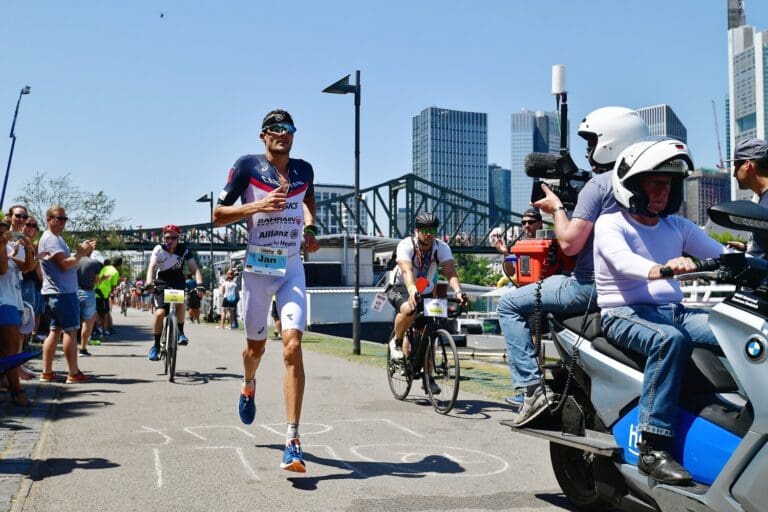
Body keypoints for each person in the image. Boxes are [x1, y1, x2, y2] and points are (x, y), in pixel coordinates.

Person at [497, 106, 650, 423]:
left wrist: (556, 208)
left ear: (611, 141)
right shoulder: (650, 185)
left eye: (592, 142)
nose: (589, 151)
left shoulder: (600, 185)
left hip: (587, 287)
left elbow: (569, 243)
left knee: (509, 304)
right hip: (637, 285)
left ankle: (531, 389)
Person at [594, 138, 728, 485]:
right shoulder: (611, 223)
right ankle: (653, 447)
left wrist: (745, 262)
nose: (662, 192)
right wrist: (662, 268)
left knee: (733, 330)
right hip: (624, 311)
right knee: (670, 340)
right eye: (654, 184)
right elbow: (622, 261)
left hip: (674, 309)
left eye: (668, 185)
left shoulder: (677, 226)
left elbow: (723, 254)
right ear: (632, 186)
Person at [212, 109, 320, 472]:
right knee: (255, 349)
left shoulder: (304, 170)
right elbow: (217, 213)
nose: (282, 134)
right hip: (258, 268)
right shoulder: (247, 166)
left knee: (292, 346)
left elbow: (308, 204)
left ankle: (292, 440)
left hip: (291, 267)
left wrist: (310, 229)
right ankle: (248, 382)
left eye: (288, 129)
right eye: (275, 129)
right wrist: (258, 205)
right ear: (263, 135)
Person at [386, 212, 468, 394]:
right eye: (425, 230)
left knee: (429, 332)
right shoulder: (406, 245)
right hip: (399, 286)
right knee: (410, 309)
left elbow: (450, 272)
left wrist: (459, 292)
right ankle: (396, 342)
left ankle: (428, 378)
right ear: (417, 230)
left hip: (425, 288)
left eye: (432, 230)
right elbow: (406, 270)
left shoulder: (441, 247)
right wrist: (412, 290)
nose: (429, 233)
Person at [38, 206, 94, 383]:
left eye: (64, 219)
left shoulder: (55, 238)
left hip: (58, 291)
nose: (62, 222)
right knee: (71, 331)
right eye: (59, 218)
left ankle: (47, 372)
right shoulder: (51, 240)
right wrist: (80, 254)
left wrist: (79, 253)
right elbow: (64, 264)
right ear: (49, 219)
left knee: (55, 331)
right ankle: (73, 373)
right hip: (62, 292)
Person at [145, 225, 202, 360]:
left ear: (178, 238)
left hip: (177, 281)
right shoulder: (159, 249)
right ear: (163, 238)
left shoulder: (184, 250)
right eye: (167, 237)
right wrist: (148, 282)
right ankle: (156, 346)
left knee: (180, 302)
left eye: (173, 238)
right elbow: (152, 267)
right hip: (162, 281)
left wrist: (200, 285)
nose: (170, 240)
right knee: (160, 314)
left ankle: (181, 332)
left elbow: (195, 269)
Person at [0, 219, 33, 405]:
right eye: (2, 232)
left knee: (10, 351)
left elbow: (27, 267)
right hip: (4, 304)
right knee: (11, 353)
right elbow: (2, 269)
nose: (6, 234)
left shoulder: (8, 250)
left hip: (13, 303)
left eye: (6, 232)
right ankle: (17, 391)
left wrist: (27, 247)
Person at [726, 138, 768, 257]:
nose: (734, 174)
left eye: (736, 166)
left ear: (747, 165)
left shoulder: (765, 205)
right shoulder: (762, 200)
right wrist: (746, 248)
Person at [75, 243, 102, 356]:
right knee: (87, 321)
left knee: (72, 323)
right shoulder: (94, 263)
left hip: (73, 292)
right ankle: (83, 348)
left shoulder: (73, 260)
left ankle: (70, 346)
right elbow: (96, 281)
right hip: (88, 292)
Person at [94, 257, 122, 337]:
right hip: (103, 294)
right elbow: (114, 286)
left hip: (96, 291)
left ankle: (96, 330)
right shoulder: (115, 272)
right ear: (119, 265)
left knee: (97, 312)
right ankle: (103, 331)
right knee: (104, 314)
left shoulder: (104, 268)